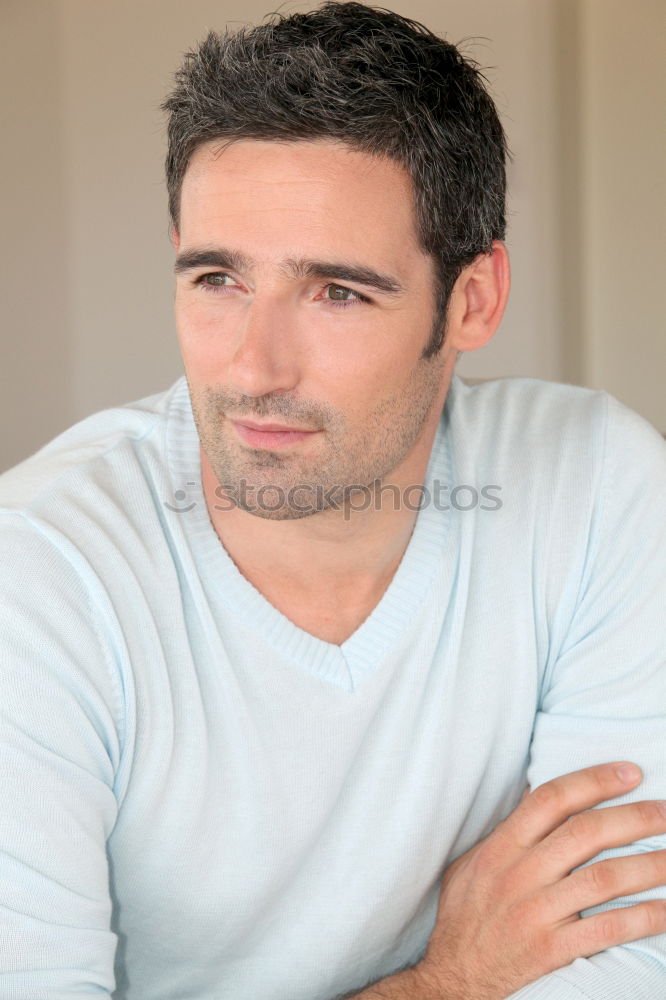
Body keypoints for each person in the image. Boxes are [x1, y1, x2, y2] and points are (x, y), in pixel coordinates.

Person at [0, 2, 664, 998]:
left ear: (473, 300)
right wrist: (449, 981)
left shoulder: (596, 480)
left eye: (338, 293)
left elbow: (631, 946)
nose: (254, 367)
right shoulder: (42, 575)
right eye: (218, 278)